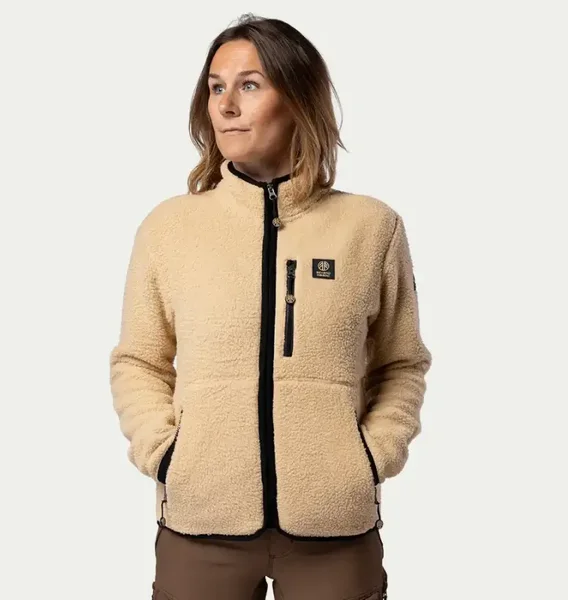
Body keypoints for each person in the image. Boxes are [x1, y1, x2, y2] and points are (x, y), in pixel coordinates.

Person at [109, 13, 432, 600]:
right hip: (200, 525)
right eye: (216, 87)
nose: (226, 105)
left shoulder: (370, 228)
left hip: (334, 530)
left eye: (250, 85)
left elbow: (401, 363)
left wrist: (369, 457)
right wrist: (166, 454)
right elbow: (138, 362)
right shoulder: (170, 229)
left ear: (298, 98)